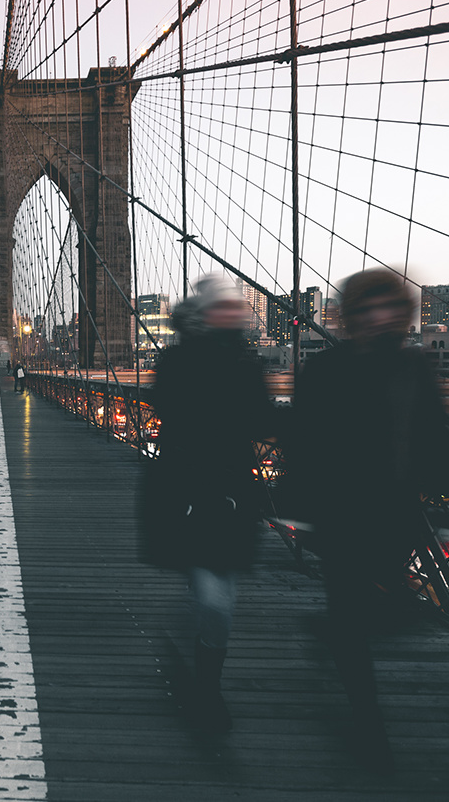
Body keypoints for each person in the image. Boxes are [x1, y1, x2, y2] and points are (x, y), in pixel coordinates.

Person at [288, 267, 449, 770]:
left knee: (358, 611)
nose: (376, 317)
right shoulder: (323, 370)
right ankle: (369, 724)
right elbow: (303, 440)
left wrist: (446, 499)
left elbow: (435, 439)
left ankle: (340, 634)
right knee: (350, 610)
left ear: (401, 313)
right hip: (340, 513)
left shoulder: (415, 369)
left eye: (386, 307)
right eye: (365, 308)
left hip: (393, 515)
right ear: (350, 315)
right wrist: (294, 502)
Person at [141, 275, 277, 733]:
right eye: (223, 307)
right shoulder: (179, 361)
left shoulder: (245, 361)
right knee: (217, 598)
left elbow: (262, 420)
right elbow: (169, 411)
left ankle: (203, 657)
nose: (232, 312)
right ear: (204, 314)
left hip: (232, 494)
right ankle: (208, 691)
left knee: (218, 595)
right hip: (189, 490)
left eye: (234, 307)